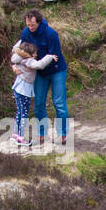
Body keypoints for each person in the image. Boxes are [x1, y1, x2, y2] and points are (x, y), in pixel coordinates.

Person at [19, 9, 70, 144]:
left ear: (39, 22)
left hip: (56, 71)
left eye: (33, 25)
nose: (30, 28)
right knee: (39, 104)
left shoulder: (51, 34)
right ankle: (42, 133)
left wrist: (35, 64)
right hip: (40, 73)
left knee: (59, 103)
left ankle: (62, 133)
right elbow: (21, 52)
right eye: (28, 25)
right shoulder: (25, 33)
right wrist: (18, 65)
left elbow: (54, 57)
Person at [10, 41, 58, 146]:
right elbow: (40, 65)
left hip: (17, 88)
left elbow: (14, 48)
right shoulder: (28, 61)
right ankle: (21, 138)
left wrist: (20, 42)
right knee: (24, 114)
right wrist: (49, 57)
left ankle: (15, 134)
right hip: (24, 91)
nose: (36, 54)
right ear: (29, 54)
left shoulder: (17, 57)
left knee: (19, 112)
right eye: (35, 53)